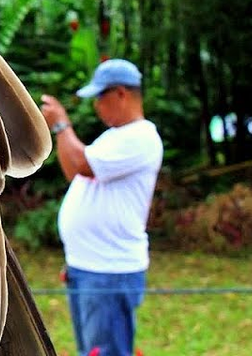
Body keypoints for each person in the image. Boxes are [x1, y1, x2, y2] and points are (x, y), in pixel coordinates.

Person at [40, 59, 163, 356]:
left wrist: (61, 124)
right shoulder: (115, 136)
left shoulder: (141, 137)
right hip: (88, 266)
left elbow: (82, 162)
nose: (96, 106)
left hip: (109, 270)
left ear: (121, 94)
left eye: (100, 97)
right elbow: (74, 171)